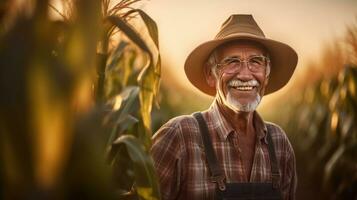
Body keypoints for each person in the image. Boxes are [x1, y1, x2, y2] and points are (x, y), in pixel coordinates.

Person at [151, 14, 298, 200]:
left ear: (266, 75)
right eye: (232, 61)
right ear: (210, 74)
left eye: (256, 61)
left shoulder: (279, 143)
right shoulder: (180, 136)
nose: (245, 75)